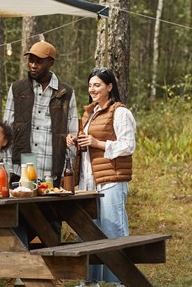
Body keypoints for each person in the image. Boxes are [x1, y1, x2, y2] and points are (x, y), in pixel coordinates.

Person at [67, 68, 135, 286]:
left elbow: (128, 145)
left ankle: (120, 281)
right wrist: (75, 140)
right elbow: (87, 142)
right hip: (88, 181)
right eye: (90, 85)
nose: (92, 89)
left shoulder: (120, 112)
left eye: (97, 85)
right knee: (89, 230)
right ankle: (89, 281)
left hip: (111, 181)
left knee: (113, 229)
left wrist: (97, 143)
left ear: (109, 87)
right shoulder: (89, 113)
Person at [2, 40, 78, 186]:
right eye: (31, 60)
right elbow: (8, 131)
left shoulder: (66, 93)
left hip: (53, 171)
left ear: (50, 63)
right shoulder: (17, 89)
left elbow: (71, 135)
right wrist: (8, 168)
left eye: (39, 61)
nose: (33, 65)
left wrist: (66, 172)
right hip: (21, 170)